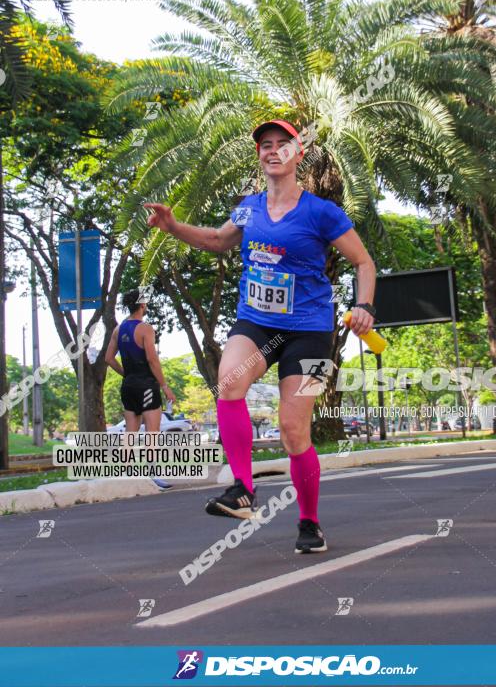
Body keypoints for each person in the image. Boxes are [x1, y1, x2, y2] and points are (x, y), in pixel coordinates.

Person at [145, 120, 376, 553]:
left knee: (293, 432)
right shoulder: (248, 209)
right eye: (265, 146)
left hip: (309, 332)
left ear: (297, 155)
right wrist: (173, 227)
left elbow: (364, 263)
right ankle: (243, 490)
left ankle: (309, 522)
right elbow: (217, 240)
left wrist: (363, 306)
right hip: (258, 322)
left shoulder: (321, 212)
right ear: (259, 156)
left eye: (282, 145)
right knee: (228, 383)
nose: (273, 151)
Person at [105, 288, 176, 433]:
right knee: (152, 434)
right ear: (142, 305)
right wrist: (165, 387)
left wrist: (126, 374)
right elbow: (152, 360)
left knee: (130, 435)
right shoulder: (145, 329)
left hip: (128, 387)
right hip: (147, 386)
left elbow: (109, 359)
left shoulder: (118, 330)